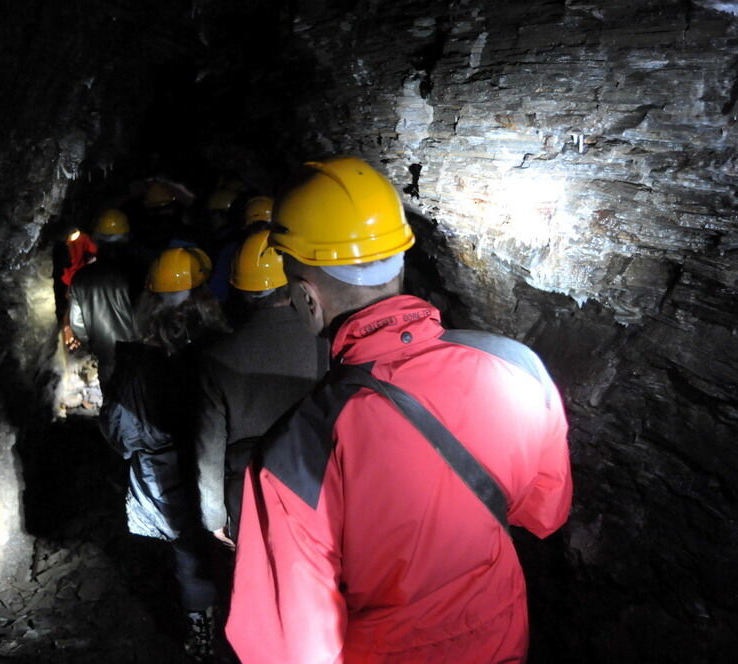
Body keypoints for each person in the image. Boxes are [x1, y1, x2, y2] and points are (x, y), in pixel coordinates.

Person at [225, 157, 573, 663]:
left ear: (305, 296)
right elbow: (545, 511)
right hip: (501, 639)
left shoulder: (297, 452)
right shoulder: (517, 365)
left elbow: (293, 647)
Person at [100, 246, 230, 662]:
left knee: (189, 559)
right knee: (229, 553)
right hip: (217, 468)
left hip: (164, 472)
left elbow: (121, 436)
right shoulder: (223, 347)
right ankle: (239, 632)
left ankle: (204, 638)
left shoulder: (137, 361)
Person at [196, 229, 328, 551]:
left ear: (240, 290)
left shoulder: (217, 356)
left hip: (249, 493)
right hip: (316, 487)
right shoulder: (325, 343)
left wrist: (214, 515)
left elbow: (208, 446)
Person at [64, 208, 138, 389]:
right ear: (127, 237)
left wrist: (91, 346)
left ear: (96, 240)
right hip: (140, 354)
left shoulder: (81, 278)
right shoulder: (138, 272)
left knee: (114, 406)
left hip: (107, 356)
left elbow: (78, 325)